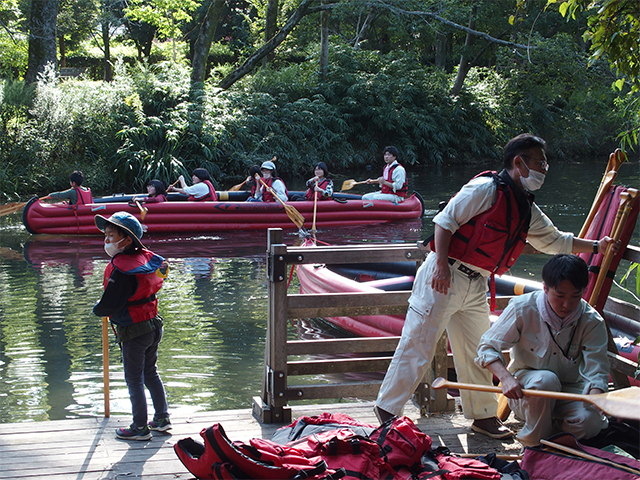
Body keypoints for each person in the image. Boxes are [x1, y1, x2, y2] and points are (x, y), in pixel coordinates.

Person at [373, 133, 617, 439]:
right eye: (540, 162)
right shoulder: (485, 189)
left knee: (477, 348)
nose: (544, 168)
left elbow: (554, 240)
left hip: (478, 281)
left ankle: (483, 415)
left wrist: (597, 246)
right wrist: (439, 266)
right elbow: (444, 222)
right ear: (519, 163)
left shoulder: (524, 206)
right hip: (444, 274)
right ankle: (387, 410)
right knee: (418, 343)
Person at [475, 254, 609, 447]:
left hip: (571, 392)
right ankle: (535, 445)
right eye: (560, 296)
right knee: (545, 380)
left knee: (591, 423)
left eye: (575, 297)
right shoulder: (522, 308)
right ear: (545, 288)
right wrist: (505, 378)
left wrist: (596, 395)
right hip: (529, 390)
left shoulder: (592, 321)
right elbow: (487, 347)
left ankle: (552, 433)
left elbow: (597, 370)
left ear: (584, 291)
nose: (567, 305)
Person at [93, 211, 171, 441]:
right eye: (105, 235)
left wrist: (97, 308)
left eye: (110, 235)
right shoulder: (143, 261)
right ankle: (161, 418)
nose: (106, 240)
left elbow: (109, 304)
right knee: (150, 373)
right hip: (154, 325)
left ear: (126, 240)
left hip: (135, 331)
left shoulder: (123, 271)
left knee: (134, 379)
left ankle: (139, 427)